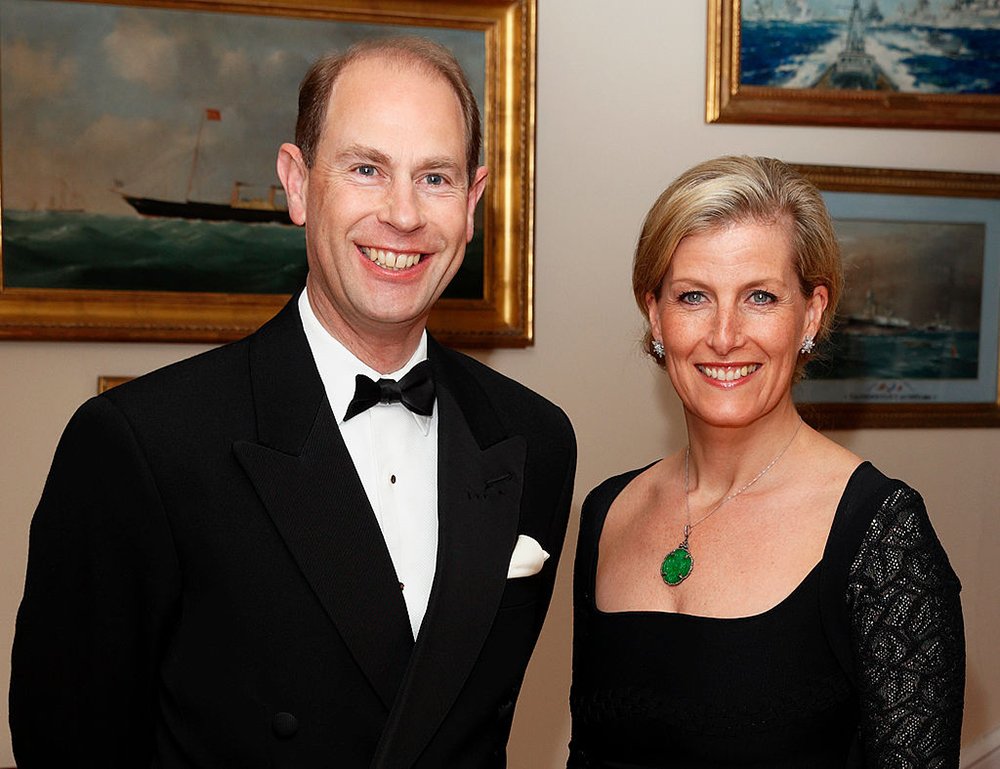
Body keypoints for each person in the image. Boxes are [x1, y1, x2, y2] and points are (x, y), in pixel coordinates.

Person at [10, 37, 576, 768]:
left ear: (471, 204)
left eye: (434, 177)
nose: (403, 215)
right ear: (298, 184)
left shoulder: (535, 437)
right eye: (367, 169)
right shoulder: (141, 444)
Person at [568, 156, 964, 768]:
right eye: (693, 296)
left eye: (760, 297)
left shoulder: (881, 534)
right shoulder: (606, 514)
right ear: (655, 315)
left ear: (811, 314)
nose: (725, 336)